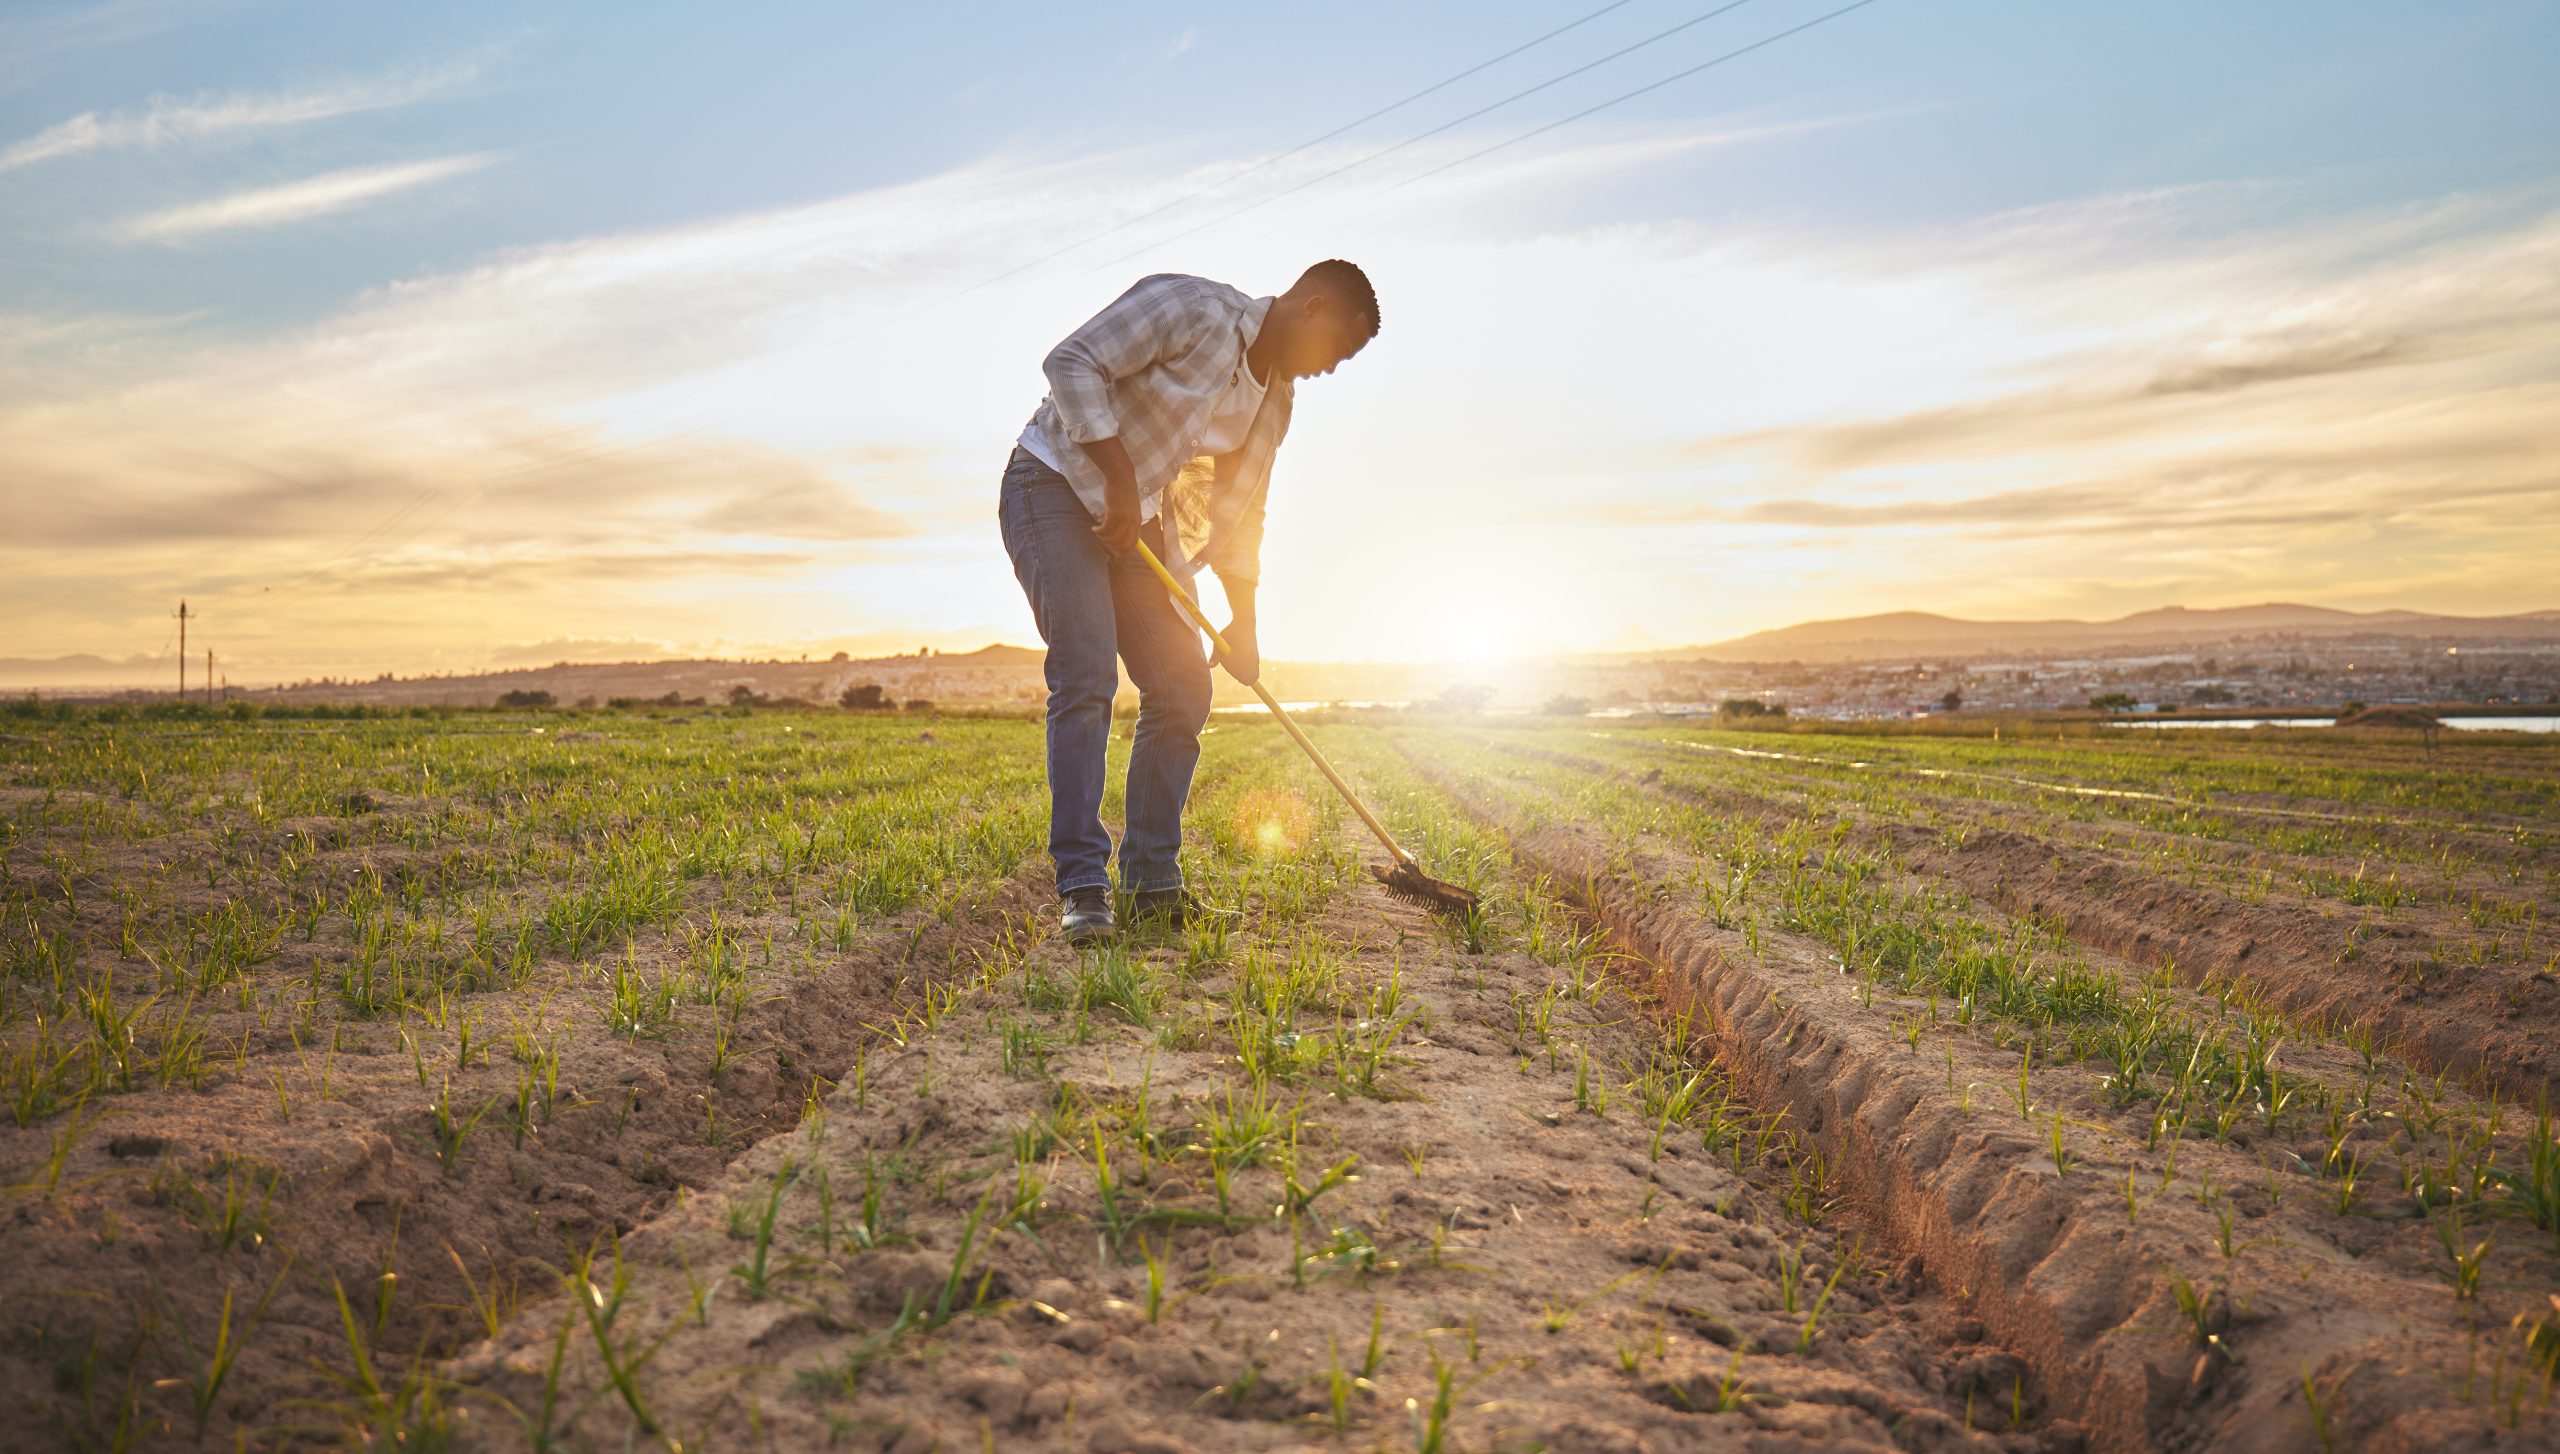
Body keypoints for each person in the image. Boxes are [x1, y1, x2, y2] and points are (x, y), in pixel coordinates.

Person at [999, 261, 1380, 944]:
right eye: (1338, 352)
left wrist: (1245, 621)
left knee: (1183, 687)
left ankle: (1151, 887)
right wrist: (1117, 477)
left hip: (1137, 524)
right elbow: (1071, 361)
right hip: (1053, 484)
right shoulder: (1191, 306)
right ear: (1313, 308)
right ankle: (1084, 889)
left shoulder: (1277, 402)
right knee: (1086, 673)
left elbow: (1245, 513)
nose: (1330, 370)